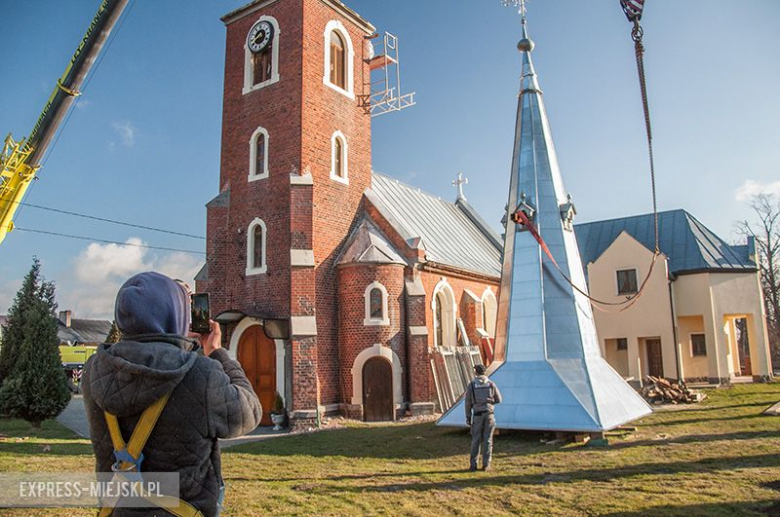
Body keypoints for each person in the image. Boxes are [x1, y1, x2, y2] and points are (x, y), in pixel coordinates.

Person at [82, 272, 262, 516]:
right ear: (173, 315)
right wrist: (217, 353)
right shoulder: (200, 373)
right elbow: (249, 413)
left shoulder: (95, 369)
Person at [465, 364, 502, 472]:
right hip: (489, 414)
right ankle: (486, 465)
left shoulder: (471, 385)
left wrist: (468, 416)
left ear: (476, 372)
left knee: (476, 440)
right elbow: (499, 399)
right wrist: (490, 404)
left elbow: (468, 403)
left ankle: (473, 465)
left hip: (477, 415)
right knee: (488, 440)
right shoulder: (491, 384)